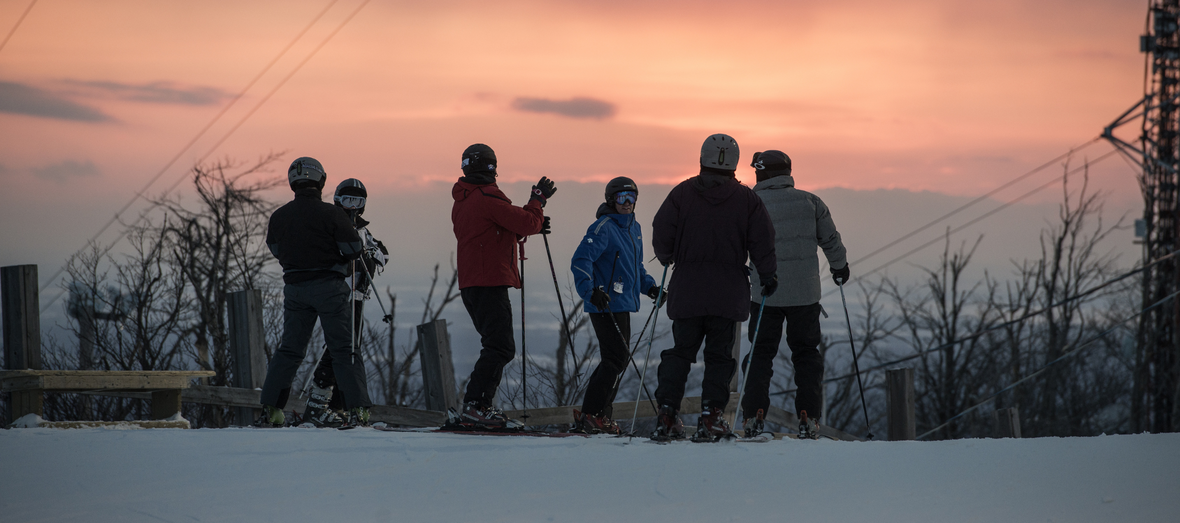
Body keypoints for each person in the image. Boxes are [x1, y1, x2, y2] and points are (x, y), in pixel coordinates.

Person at [650, 134, 777, 442]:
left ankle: (667, 413)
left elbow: (662, 230)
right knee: (720, 357)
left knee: (681, 352)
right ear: (733, 163)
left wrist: (668, 256)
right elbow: (763, 239)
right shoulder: (747, 199)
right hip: (727, 291)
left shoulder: (681, 193)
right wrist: (768, 275)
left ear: (702, 158)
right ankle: (711, 417)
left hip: (688, 289)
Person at [257, 157, 373, 427]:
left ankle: (272, 409)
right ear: (320, 181)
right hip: (329, 287)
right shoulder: (330, 214)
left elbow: (275, 249)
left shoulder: (279, 216)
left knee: (290, 350)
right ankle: (358, 410)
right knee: (344, 349)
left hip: (294, 288)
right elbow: (353, 249)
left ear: (292, 183)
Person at [741, 150, 848, 440]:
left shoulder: (751, 204)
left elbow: (737, 244)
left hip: (765, 294)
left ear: (761, 173)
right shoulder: (810, 202)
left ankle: (753, 413)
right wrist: (840, 268)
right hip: (805, 296)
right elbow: (831, 241)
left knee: (760, 355)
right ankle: (809, 416)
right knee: (806, 356)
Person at [450, 143, 555, 430]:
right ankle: (477, 405)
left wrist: (523, 224)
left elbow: (497, 229)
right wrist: (538, 201)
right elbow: (527, 222)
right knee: (501, 347)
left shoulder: (464, 201)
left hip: (474, 283)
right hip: (489, 282)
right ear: (491, 168)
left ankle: (477, 405)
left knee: (495, 345)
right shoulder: (486, 198)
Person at [568, 177, 665, 434]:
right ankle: (592, 414)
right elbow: (581, 260)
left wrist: (651, 287)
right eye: (622, 198)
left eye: (632, 198)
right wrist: (591, 292)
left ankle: (599, 416)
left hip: (622, 304)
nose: (627, 203)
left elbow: (635, 268)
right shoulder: (604, 228)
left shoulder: (634, 228)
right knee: (614, 359)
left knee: (617, 361)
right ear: (612, 200)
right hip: (604, 304)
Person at [301, 178, 389, 428]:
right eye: (348, 200)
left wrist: (373, 255)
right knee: (342, 348)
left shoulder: (362, 229)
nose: (352, 206)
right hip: (339, 295)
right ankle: (320, 400)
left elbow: (383, 252)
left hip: (358, 295)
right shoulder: (332, 223)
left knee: (351, 348)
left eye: (358, 201)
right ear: (338, 200)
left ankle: (336, 404)